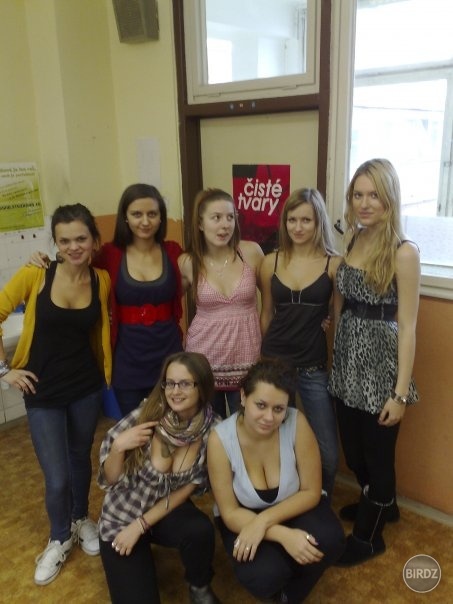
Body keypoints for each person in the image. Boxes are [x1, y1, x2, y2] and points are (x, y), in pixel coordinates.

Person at [0, 204, 112, 585]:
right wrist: (5, 371)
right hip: (42, 390)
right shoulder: (37, 273)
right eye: (64, 241)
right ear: (55, 243)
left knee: (81, 458)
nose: (73, 247)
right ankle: (59, 537)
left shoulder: (100, 280)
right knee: (57, 475)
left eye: (81, 238)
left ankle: (81, 519)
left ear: (94, 240)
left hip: (85, 386)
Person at [328, 158, 420, 566]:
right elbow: (341, 303)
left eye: (374, 196)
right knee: (354, 453)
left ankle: (369, 538)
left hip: (381, 370)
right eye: (358, 195)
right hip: (348, 363)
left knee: (377, 457)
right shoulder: (352, 239)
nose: (364, 204)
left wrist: (399, 395)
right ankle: (385, 504)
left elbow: (409, 326)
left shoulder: (404, 252)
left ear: (390, 199)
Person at [31, 183, 184, 416]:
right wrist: (45, 259)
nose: (145, 221)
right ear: (125, 217)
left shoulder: (173, 251)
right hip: (127, 360)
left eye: (152, 214)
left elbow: (196, 274)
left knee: (174, 425)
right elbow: (76, 268)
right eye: (137, 214)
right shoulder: (109, 254)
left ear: (161, 217)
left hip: (169, 354)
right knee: (135, 428)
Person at [207, 358, 345, 604]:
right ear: (243, 396)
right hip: (243, 516)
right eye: (260, 405)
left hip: (293, 504)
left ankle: (288, 596)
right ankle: (283, 571)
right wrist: (283, 535)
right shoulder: (220, 439)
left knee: (331, 540)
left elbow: (311, 491)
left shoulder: (296, 422)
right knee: (264, 576)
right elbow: (229, 513)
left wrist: (264, 522)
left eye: (278, 409)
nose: (269, 417)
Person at [98, 351, 220, 604]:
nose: (175, 391)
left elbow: (190, 487)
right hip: (122, 515)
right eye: (169, 383)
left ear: (202, 386)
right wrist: (118, 448)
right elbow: (110, 480)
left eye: (184, 383)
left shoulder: (213, 429)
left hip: (164, 509)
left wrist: (141, 525)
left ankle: (199, 586)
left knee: (200, 530)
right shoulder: (148, 413)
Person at [260, 188, 342, 500]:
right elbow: (266, 314)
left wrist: (329, 329)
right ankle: (287, 500)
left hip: (312, 367)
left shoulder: (334, 264)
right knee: (280, 443)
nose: (298, 227)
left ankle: (320, 501)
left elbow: (338, 318)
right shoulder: (270, 262)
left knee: (328, 451)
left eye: (306, 220)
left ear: (318, 221)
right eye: (292, 219)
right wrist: (261, 363)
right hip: (275, 365)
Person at [178, 188, 264, 418]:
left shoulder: (251, 252)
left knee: (246, 425)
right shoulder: (188, 262)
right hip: (204, 359)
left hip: (247, 358)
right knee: (209, 426)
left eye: (230, 217)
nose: (225, 225)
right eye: (216, 218)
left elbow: (275, 297)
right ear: (200, 223)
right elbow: (168, 302)